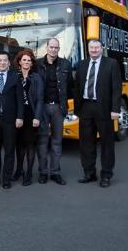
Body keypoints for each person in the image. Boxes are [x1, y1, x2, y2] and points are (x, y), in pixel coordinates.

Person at [74, 39, 122, 188]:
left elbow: (116, 88)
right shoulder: (81, 65)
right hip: (86, 107)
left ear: (101, 48)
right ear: (88, 49)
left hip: (104, 109)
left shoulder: (111, 63)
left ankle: (106, 175)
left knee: (107, 143)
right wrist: (77, 110)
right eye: (91, 47)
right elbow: (77, 88)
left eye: (97, 47)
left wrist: (115, 109)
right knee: (86, 143)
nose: (94, 50)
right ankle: (89, 173)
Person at [36, 38, 73, 185]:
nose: (53, 50)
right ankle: (43, 172)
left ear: (59, 49)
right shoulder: (37, 64)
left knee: (57, 141)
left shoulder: (66, 64)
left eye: (56, 48)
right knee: (42, 141)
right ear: (46, 47)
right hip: (42, 108)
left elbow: (70, 86)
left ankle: (56, 173)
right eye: (51, 47)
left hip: (59, 107)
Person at [0, 51, 23, 189]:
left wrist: (20, 117)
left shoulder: (15, 78)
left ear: (8, 63)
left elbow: (19, 99)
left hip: (10, 121)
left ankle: (6, 179)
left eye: (5, 60)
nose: (2, 63)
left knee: (9, 151)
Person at [12, 49, 44, 186]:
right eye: (24, 60)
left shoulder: (36, 77)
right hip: (17, 115)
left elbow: (40, 99)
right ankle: (19, 170)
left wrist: (37, 117)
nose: (26, 62)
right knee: (19, 145)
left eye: (29, 60)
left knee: (30, 144)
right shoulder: (14, 76)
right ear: (19, 62)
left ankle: (29, 173)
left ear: (32, 63)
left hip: (31, 114)